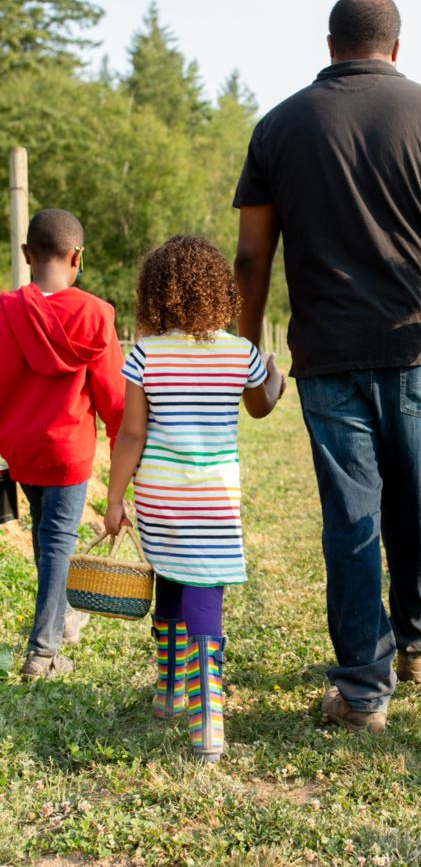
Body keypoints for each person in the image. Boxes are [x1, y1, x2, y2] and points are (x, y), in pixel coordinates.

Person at [233, 0, 421, 732]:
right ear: (397, 48)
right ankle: (418, 639)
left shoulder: (280, 125)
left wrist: (252, 359)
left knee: (351, 515)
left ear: (328, 46)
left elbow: (252, 258)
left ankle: (361, 690)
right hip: (417, 346)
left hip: (325, 354)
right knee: (412, 493)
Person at [104, 235, 284, 763]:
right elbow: (261, 405)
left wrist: (115, 499)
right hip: (214, 499)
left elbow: (131, 435)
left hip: (160, 496)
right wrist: (272, 378)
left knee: (170, 578)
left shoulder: (145, 354)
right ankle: (209, 720)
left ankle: (169, 691)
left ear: (155, 294)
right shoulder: (240, 352)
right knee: (206, 593)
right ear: (219, 291)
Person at [0, 208, 125, 680]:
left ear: (28, 255)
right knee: (56, 542)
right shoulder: (95, 314)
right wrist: (123, 465)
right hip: (69, 453)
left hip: (21, 452)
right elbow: (114, 399)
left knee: (44, 536)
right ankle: (44, 651)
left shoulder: (4, 310)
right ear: (78, 258)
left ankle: (61, 619)